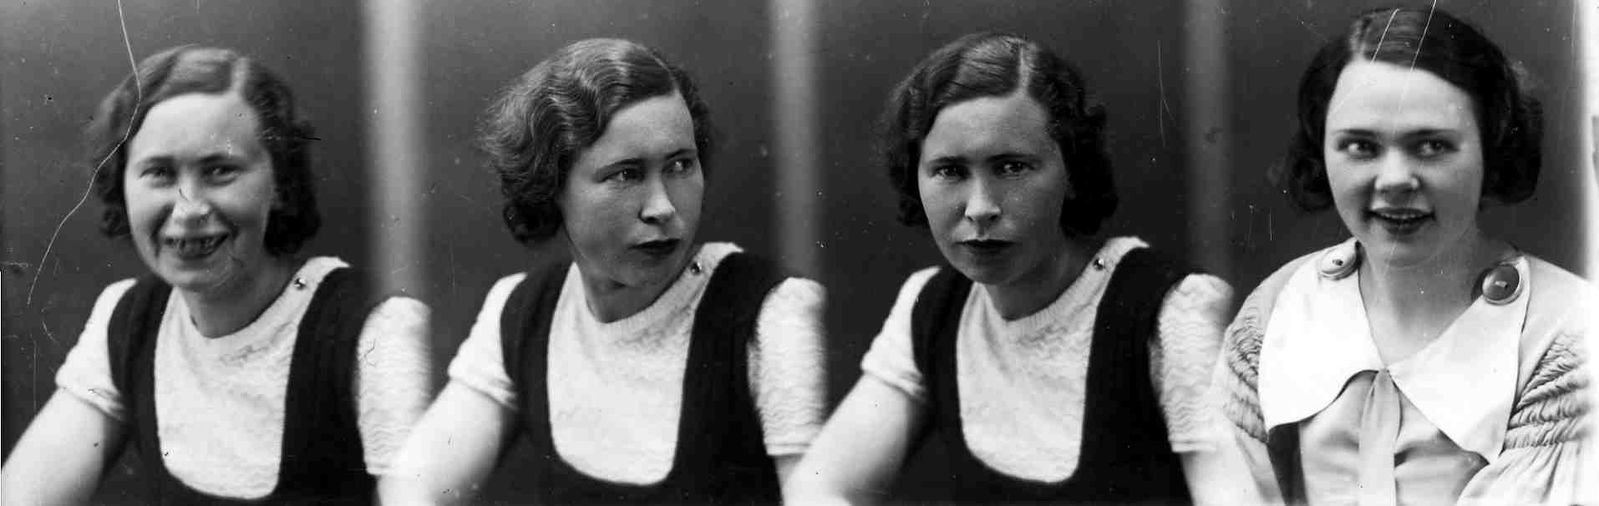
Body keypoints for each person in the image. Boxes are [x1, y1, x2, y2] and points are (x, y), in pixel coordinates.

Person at [787, 32, 1236, 504]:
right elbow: (817, 486)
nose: (980, 208)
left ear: (1072, 171)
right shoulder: (934, 307)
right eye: (950, 171)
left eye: (1011, 167)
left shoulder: (1171, 312)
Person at [379, 38, 827, 505]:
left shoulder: (772, 313)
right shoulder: (525, 310)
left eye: (680, 165)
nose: (662, 207)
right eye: (626, 174)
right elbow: (412, 485)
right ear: (551, 186)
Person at [0, 45, 433, 505]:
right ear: (121, 186)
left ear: (280, 183)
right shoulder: (129, 319)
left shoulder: (377, 329)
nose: (188, 209)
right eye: (159, 173)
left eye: (220, 170)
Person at [1216, 6, 1591, 504]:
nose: (1394, 180)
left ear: (1491, 148)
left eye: (1432, 145)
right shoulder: (1277, 309)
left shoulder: (1566, 337)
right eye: (1361, 146)